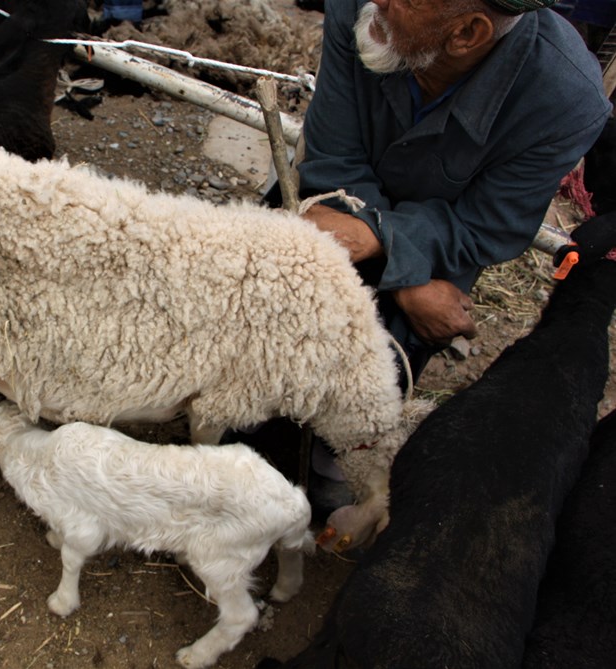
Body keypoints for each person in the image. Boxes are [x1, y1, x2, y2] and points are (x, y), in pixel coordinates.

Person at [258, 0, 612, 513]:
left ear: (467, 33)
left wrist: (384, 245)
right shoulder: (364, 13)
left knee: (370, 387)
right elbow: (335, 156)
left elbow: (489, 225)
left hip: (441, 247)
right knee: (259, 339)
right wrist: (406, 273)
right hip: (338, 204)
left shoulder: (566, 99)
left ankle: (334, 463)